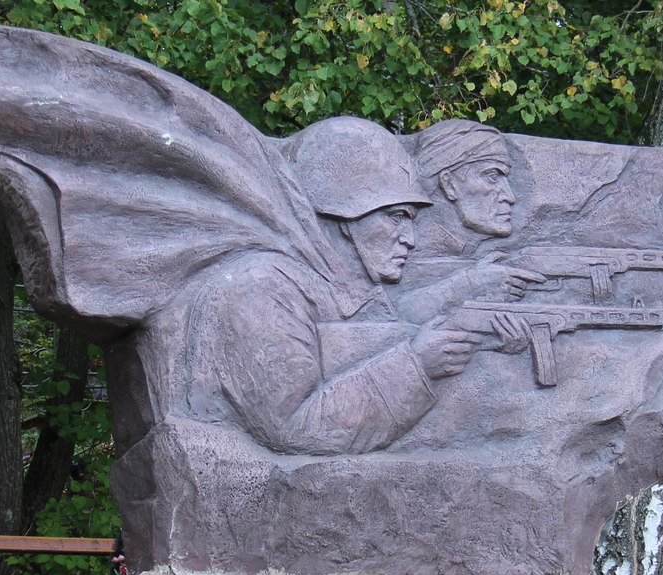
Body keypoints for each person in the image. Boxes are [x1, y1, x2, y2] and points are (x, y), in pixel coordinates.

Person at [184, 117, 516, 455]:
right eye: (396, 217)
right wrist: (417, 365)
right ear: (344, 216)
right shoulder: (261, 290)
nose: (410, 240)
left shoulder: (349, 294)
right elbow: (294, 428)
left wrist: (480, 340)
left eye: (410, 220)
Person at [394, 120, 547, 324]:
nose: (510, 197)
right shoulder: (395, 251)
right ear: (449, 184)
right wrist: (470, 283)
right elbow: (389, 316)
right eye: (492, 176)